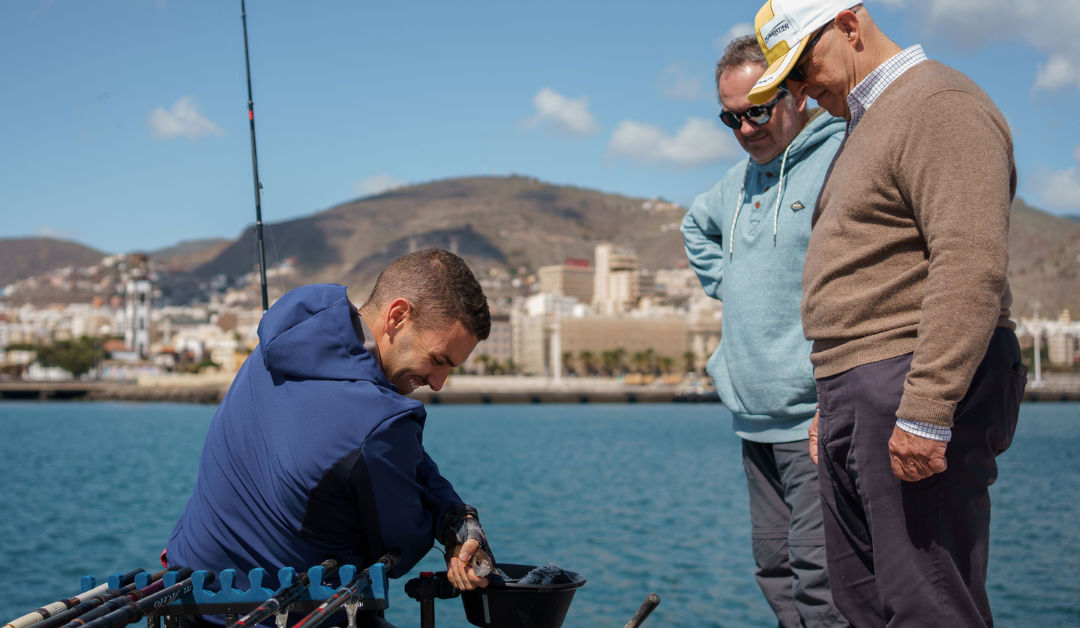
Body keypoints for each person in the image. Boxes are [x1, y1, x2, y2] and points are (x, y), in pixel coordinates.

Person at [748, 1, 1025, 625]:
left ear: (849, 25)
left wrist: (927, 411)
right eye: (786, 79)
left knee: (926, 600)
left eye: (802, 65)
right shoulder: (868, 122)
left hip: (908, 378)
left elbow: (970, 259)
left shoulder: (937, 104)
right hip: (862, 388)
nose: (800, 89)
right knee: (864, 603)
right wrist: (833, 402)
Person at [165, 249, 494, 627]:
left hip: (187, 597)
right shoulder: (383, 421)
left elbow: (392, 457)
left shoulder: (289, 336)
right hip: (283, 616)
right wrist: (454, 525)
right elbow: (402, 542)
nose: (438, 383)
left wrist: (453, 512)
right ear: (398, 316)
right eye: (438, 360)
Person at [681, 35, 848, 628]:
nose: (746, 128)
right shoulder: (737, 183)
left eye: (757, 109)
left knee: (822, 580)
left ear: (797, 94)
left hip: (816, 419)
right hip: (754, 420)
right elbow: (693, 226)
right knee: (774, 570)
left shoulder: (839, 159)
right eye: (731, 117)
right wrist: (734, 281)